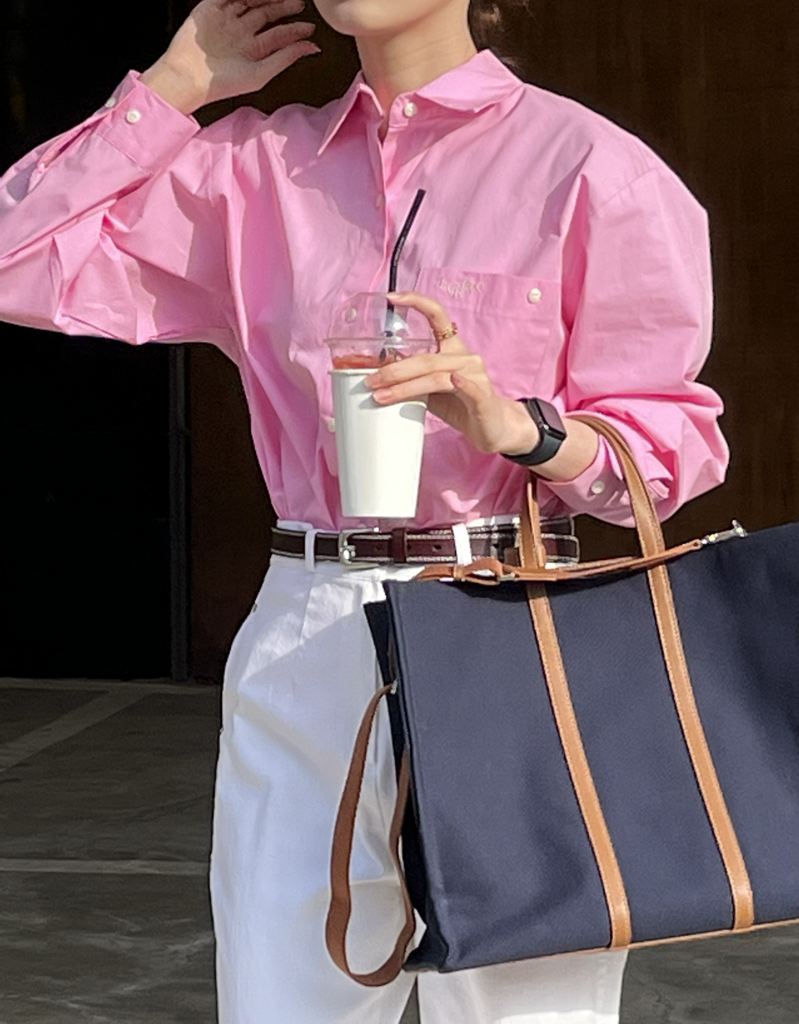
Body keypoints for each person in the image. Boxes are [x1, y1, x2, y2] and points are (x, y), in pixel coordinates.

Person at [0, 0, 729, 1020]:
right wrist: (172, 90)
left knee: (529, 1012)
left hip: (509, 619)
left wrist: (514, 425)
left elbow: (663, 457)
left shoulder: (591, 170)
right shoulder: (252, 171)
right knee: (283, 1000)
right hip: (307, 629)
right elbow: (17, 259)